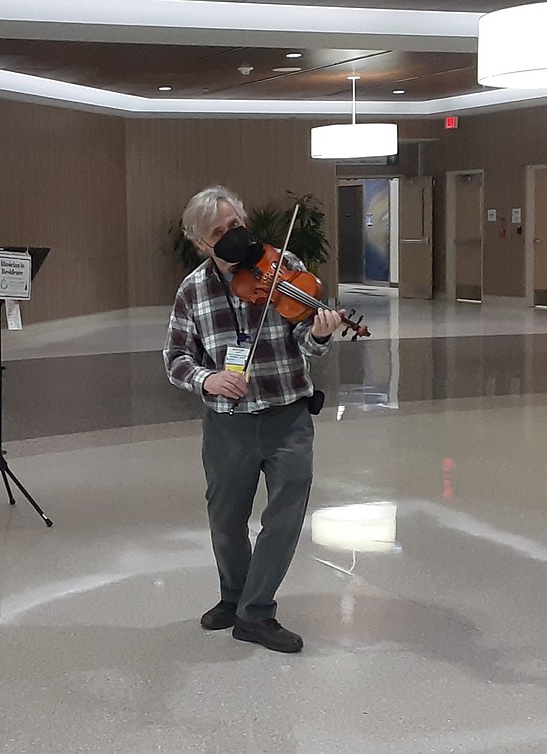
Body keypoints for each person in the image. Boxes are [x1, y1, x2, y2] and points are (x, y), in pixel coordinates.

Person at [163, 185, 343, 653]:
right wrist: (207, 379)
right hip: (228, 423)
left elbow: (306, 338)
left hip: (288, 415)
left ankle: (256, 612)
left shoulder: (286, 268)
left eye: (235, 226)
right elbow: (176, 357)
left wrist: (320, 335)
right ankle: (234, 597)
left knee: (284, 517)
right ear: (201, 243)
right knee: (225, 519)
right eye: (218, 233)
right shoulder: (193, 290)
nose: (232, 237)